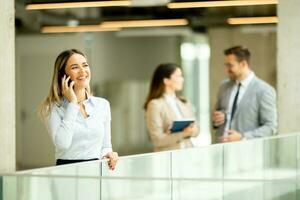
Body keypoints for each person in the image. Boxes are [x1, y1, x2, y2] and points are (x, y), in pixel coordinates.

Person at [39, 49, 118, 170]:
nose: (83, 71)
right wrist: (73, 104)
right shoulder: (51, 107)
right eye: (75, 67)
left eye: (85, 65)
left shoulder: (103, 105)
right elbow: (63, 144)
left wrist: (110, 154)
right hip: (67, 173)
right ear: (63, 75)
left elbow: (106, 146)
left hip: (96, 172)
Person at [212, 46, 277, 142]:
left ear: (243, 64)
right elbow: (216, 118)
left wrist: (243, 136)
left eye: (230, 65)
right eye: (226, 65)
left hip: (247, 152)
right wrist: (216, 120)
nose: (227, 70)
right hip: (221, 149)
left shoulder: (264, 90)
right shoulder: (223, 86)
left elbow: (271, 127)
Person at [144, 63, 199, 152]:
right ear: (166, 80)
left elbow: (197, 130)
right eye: (178, 76)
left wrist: (192, 130)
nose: (182, 79)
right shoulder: (155, 105)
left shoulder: (184, 102)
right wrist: (183, 133)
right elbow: (157, 140)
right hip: (167, 158)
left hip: (188, 155)